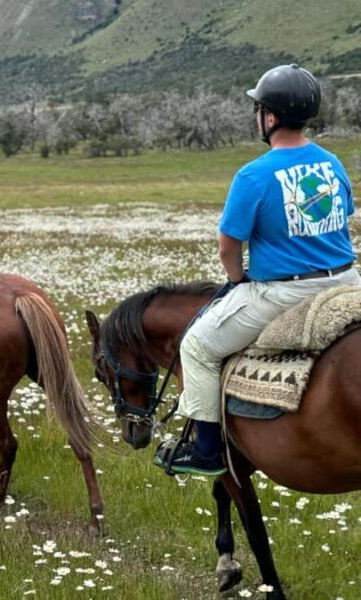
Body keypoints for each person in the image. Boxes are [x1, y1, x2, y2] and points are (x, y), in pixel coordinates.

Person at [156, 64, 361, 476]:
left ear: (270, 117)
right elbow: (342, 216)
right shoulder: (331, 163)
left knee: (196, 346)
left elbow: (228, 245)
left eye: (259, 109)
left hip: (286, 293)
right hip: (347, 281)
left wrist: (236, 280)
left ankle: (207, 450)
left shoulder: (253, 175)